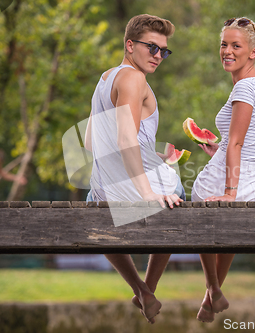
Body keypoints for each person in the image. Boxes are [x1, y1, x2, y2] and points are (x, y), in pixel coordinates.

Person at [84, 14, 184, 324]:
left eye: (163, 51)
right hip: (129, 189)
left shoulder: (106, 78)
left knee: (95, 208)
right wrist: (148, 191)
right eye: (152, 47)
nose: (158, 56)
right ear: (130, 45)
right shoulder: (134, 78)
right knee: (177, 195)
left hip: (100, 189)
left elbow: (90, 141)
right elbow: (126, 137)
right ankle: (148, 287)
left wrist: (150, 154)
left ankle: (141, 290)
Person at [191, 17, 255, 322]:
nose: (227, 51)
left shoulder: (244, 89)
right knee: (226, 232)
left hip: (232, 188)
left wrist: (230, 193)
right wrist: (220, 149)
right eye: (224, 44)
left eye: (236, 46)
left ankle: (213, 288)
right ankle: (210, 297)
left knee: (202, 204)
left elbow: (238, 144)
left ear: (253, 52)